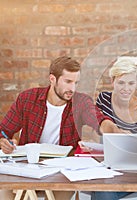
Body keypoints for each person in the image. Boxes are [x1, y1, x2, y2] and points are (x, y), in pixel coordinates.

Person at [0, 56, 119, 199]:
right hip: (28, 170)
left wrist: (113, 130)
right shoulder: (27, 99)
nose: (72, 88)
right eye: (68, 82)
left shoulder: (80, 102)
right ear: (52, 79)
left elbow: (100, 121)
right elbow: (3, 131)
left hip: (63, 172)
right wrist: (4, 141)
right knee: (4, 193)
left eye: (76, 82)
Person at [91, 57, 137, 200]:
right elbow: (96, 131)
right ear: (112, 81)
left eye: (131, 83)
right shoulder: (103, 99)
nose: (126, 89)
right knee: (102, 190)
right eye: (121, 83)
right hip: (108, 166)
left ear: (136, 83)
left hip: (135, 169)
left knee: (103, 192)